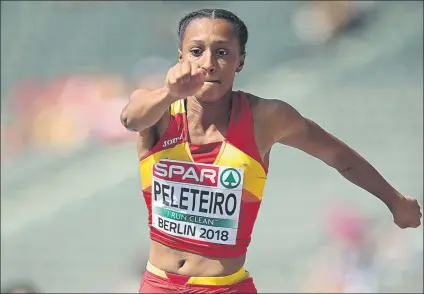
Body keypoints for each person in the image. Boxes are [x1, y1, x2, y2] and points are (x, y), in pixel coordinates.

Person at [120, 8, 422, 294]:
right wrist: (171, 92)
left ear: (240, 61)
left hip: (224, 286)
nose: (208, 63)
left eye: (222, 52)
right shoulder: (157, 109)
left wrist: (394, 200)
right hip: (158, 284)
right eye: (196, 51)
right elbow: (131, 119)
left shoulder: (266, 118)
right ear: (181, 57)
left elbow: (338, 157)